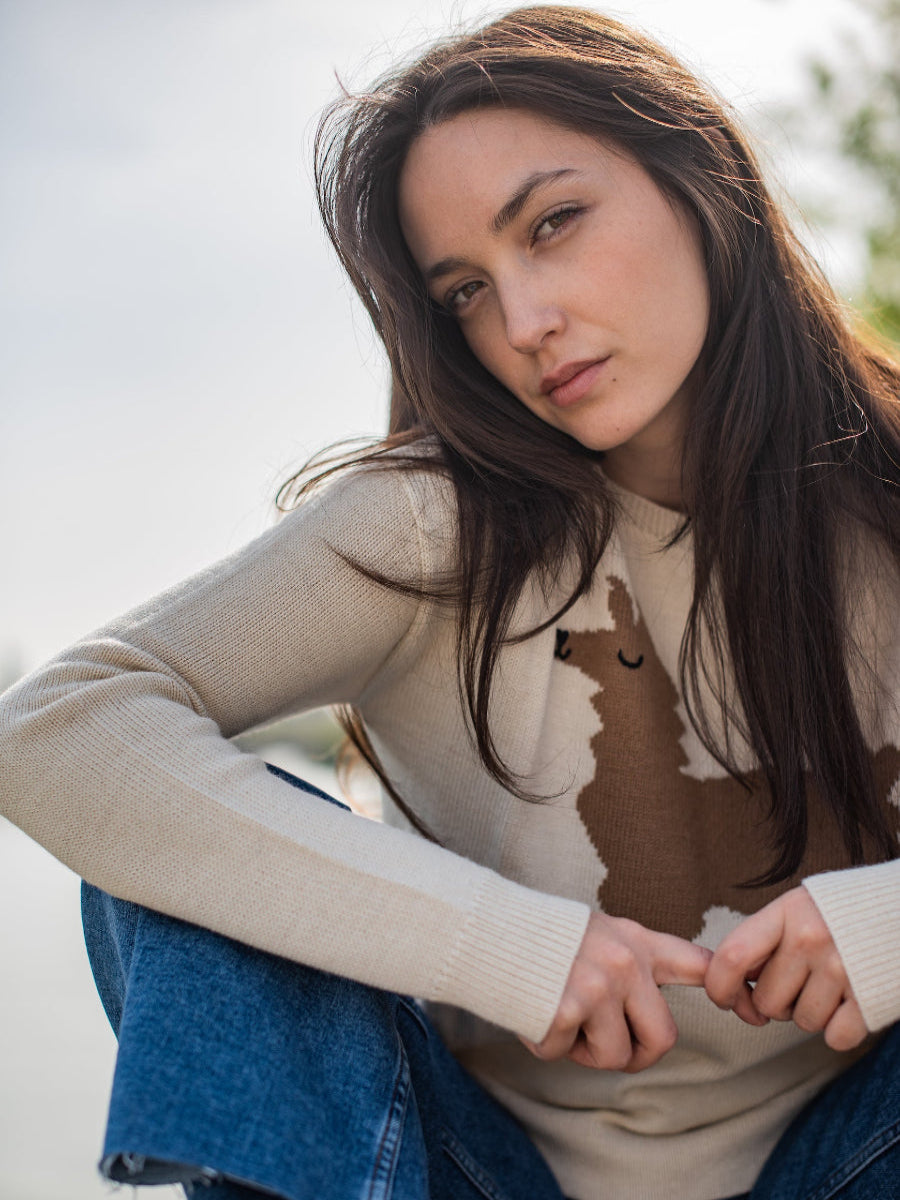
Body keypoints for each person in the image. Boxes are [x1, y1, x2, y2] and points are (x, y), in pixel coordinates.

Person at [1, 6, 899, 1199]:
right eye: (467, 291)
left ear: (700, 180)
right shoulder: (432, 525)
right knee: (166, 852)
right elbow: (57, 732)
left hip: (854, 1156)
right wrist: (509, 948)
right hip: (459, 1172)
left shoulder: (884, 491)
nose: (525, 324)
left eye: (555, 223)